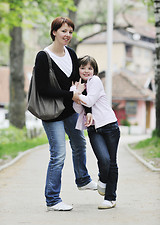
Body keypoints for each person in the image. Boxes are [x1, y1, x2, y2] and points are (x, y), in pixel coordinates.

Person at [34, 17, 97, 211]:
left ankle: (83, 179)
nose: (67, 35)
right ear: (54, 32)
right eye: (63, 31)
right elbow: (43, 89)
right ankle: (52, 200)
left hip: (70, 111)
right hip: (52, 114)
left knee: (79, 144)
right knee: (58, 155)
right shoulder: (43, 56)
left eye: (70, 31)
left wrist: (87, 109)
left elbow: (79, 85)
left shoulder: (71, 54)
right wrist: (70, 94)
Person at [71, 55, 120, 209]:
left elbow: (90, 101)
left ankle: (110, 198)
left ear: (94, 70)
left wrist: (76, 95)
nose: (86, 71)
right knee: (103, 160)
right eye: (83, 67)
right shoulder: (77, 86)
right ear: (78, 69)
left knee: (111, 162)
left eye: (90, 68)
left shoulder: (95, 81)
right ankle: (103, 178)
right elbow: (78, 109)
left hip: (110, 125)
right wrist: (76, 91)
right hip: (93, 128)